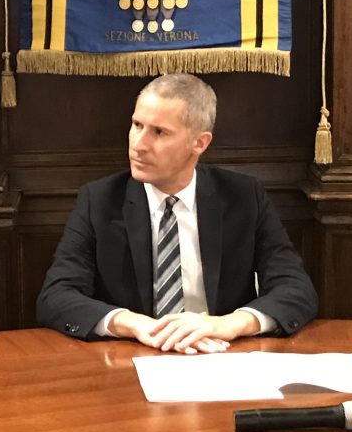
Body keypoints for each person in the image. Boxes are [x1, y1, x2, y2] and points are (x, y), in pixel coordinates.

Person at [37, 73, 318, 351]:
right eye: (137, 125)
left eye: (159, 132)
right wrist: (132, 323)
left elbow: (296, 288)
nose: (138, 145)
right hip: (133, 355)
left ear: (200, 142)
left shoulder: (243, 196)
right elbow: (56, 296)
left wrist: (229, 324)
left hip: (221, 354)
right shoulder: (99, 200)